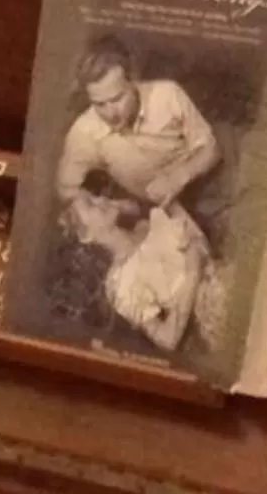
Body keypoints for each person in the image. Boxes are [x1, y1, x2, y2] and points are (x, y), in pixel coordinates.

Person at [52, 37, 228, 352]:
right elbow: (67, 189)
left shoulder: (167, 95)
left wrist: (177, 177)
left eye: (117, 98)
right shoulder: (83, 133)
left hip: (205, 183)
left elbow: (210, 149)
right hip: (159, 209)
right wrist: (111, 206)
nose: (110, 112)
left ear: (133, 80)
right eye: (99, 104)